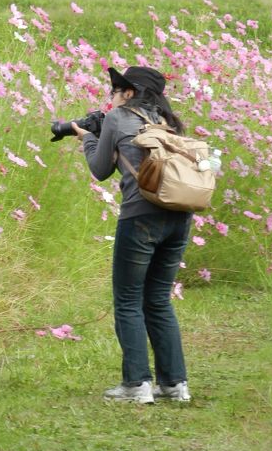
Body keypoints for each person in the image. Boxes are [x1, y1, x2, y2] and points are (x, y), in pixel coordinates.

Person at [72, 66, 192, 404]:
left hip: (141, 218)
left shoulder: (118, 118)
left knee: (127, 301)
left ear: (129, 92)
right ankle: (174, 384)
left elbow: (100, 169)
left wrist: (88, 138)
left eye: (116, 88)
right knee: (157, 300)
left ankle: (136, 385)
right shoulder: (170, 122)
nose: (112, 93)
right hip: (179, 218)